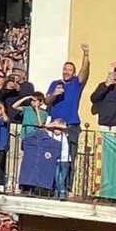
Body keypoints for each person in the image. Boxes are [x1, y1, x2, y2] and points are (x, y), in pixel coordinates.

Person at [45, 45, 90, 191]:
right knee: (52, 156)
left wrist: (86, 54)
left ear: (73, 72)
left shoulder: (76, 83)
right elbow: (46, 101)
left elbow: (84, 71)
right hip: (55, 126)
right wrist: (54, 94)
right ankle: (51, 187)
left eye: (70, 70)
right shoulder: (54, 83)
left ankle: (66, 188)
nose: (66, 72)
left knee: (69, 158)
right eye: (65, 69)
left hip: (71, 126)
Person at [91, 61, 116, 132]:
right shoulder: (103, 85)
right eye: (115, 71)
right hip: (104, 126)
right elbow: (94, 98)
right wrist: (106, 85)